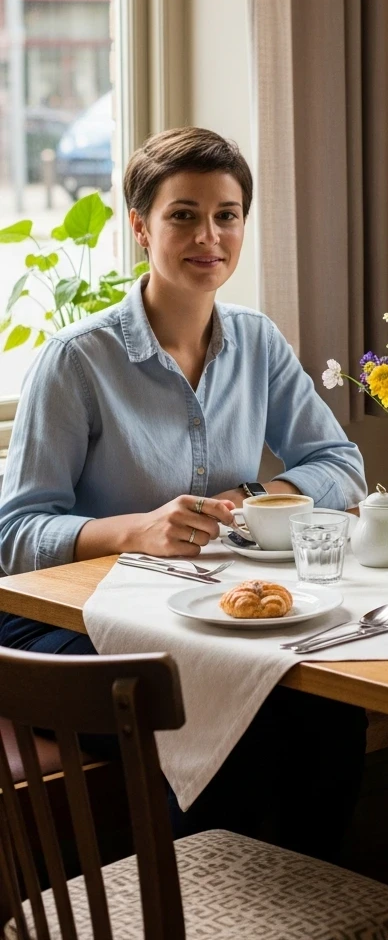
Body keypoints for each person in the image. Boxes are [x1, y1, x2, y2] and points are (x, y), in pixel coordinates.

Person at [0, 127, 368, 861]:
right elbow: (13, 536)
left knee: (333, 712)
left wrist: (256, 494)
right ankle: (196, 916)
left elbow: (341, 465)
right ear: (140, 226)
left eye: (227, 215)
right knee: (221, 705)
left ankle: (311, 909)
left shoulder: (258, 343)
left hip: (198, 616)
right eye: (184, 215)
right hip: (61, 624)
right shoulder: (79, 360)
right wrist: (134, 530)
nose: (210, 236)